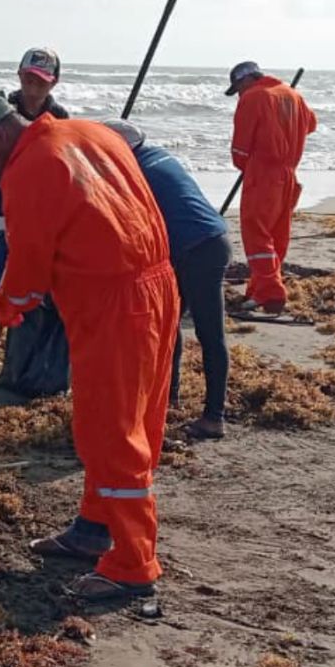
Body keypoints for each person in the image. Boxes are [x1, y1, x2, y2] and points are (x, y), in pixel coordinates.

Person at [0, 93, 179, 601]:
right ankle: (94, 529)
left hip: (111, 300)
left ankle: (133, 565)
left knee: (110, 430)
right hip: (157, 283)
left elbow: (29, 268)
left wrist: (0, 309)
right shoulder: (93, 133)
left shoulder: (28, 168)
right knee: (133, 419)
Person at [106, 119, 231, 440]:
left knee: (209, 333)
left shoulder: (139, 173)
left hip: (199, 249)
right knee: (169, 326)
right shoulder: (159, 156)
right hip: (208, 240)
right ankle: (169, 399)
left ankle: (214, 417)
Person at [0, 47, 71, 396]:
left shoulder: (59, 116)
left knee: (36, 286)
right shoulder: (3, 109)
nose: (34, 89)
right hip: (0, 209)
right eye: (29, 80)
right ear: (19, 76)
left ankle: (31, 362)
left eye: (41, 83)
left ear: (53, 83)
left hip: (37, 213)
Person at [226, 61, 317, 315]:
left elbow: (240, 149)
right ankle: (260, 288)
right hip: (288, 173)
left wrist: (247, 163)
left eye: (238, 89)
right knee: (277, 234)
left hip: (263, 173)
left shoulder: (253, 97)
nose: (239, 95)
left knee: (256, 233)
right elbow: (310, 124)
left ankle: (270, 292)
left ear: (246, 81)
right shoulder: (292, 94)